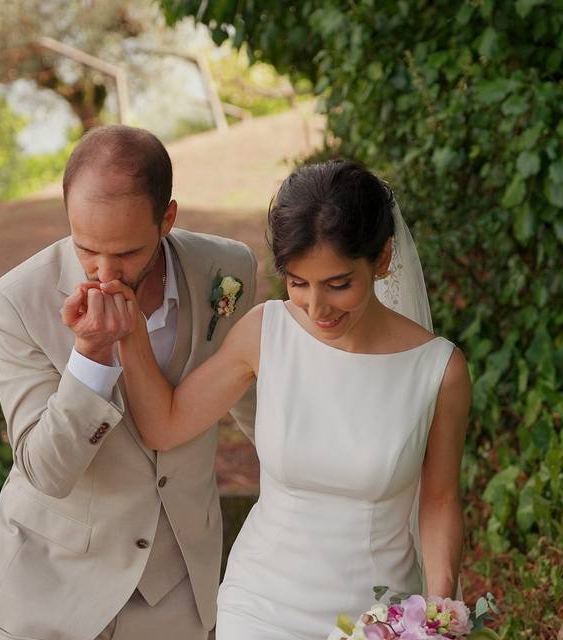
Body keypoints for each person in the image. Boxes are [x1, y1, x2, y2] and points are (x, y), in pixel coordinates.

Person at [103, 159, 470, 639]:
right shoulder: (265, 331)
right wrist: (128, 332)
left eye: (339, 284)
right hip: (260, 606)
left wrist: (437, 614)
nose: (317, 308)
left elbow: (440, 500)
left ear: (382, 260)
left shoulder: (439, 370)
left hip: (377, 618)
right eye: (299, 284)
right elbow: (166, 424)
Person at [0, 124, 259, 640]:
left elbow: (249, 392)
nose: (104, 273)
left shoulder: (227, 269)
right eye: (86, 249)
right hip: (50, 595)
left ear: (167, 217)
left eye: (126, 253)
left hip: (179, 592)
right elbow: (44, 471)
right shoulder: (13, 304)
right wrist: (90, 358)